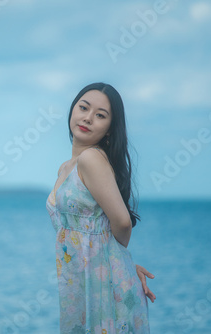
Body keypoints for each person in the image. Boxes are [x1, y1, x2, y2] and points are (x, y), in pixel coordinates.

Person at [46, 82, 155, 333]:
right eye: (83, 108)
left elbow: (123, 222)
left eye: (100, 115)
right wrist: (123, 263)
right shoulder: (66, 167)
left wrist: (119, 264)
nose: (88, 118)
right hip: (81, 283)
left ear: (109, 130)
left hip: (104, 287)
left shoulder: (91, 158)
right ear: (72, 110)